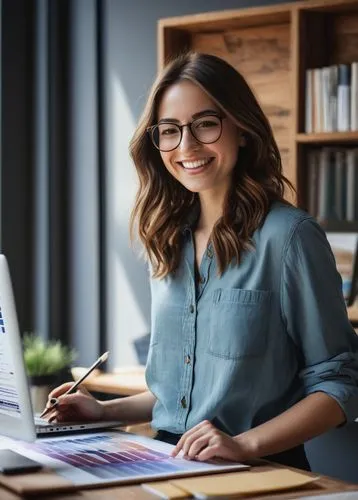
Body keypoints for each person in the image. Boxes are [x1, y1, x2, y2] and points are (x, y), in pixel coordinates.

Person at [43, 52, 358, 471]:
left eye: (206, 124)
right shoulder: (167, 238)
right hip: (165, 462)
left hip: (259, 472)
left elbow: (339, 384)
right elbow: (180, 393)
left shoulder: (289, 237)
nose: (186, 146)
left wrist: (244, 445)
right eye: (170, 130)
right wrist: (103, 412)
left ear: (242, 130)